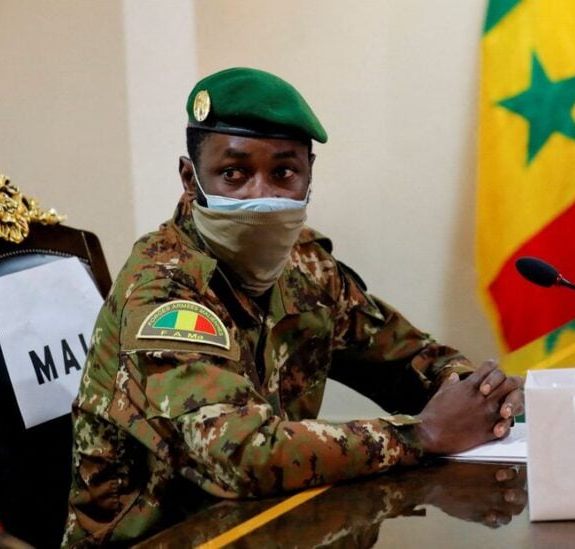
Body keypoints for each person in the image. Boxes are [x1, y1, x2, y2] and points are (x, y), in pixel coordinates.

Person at [63, 67, 524, 547]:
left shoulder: (305, 265)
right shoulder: (162, 290)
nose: (262, 196)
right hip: (167, 537)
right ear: (189, 177)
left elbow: (407, 357)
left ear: (309, 175)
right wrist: (422, 435)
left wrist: (480, 395)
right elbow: (240, 455)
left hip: (275, 525)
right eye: (234, 174)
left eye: (283, 173)